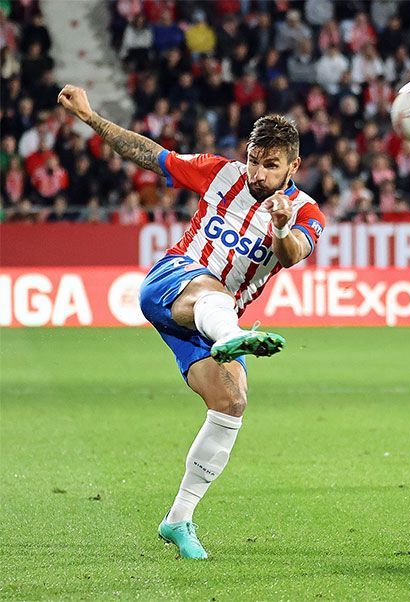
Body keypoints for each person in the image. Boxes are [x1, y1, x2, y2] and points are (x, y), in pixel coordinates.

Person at [57, 84, 326, 559]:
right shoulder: (218, 174)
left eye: (270, 165)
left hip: (210, 320)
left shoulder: (304, 212)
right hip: (175, 282)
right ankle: (234, 337)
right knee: (214, 293)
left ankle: (178, 519)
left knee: (232, 402)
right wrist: (91, 117)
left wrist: (281, 225)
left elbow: (292, 254)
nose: (258, 173)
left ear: (292, 167)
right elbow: (149, 153)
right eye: (254, 160)